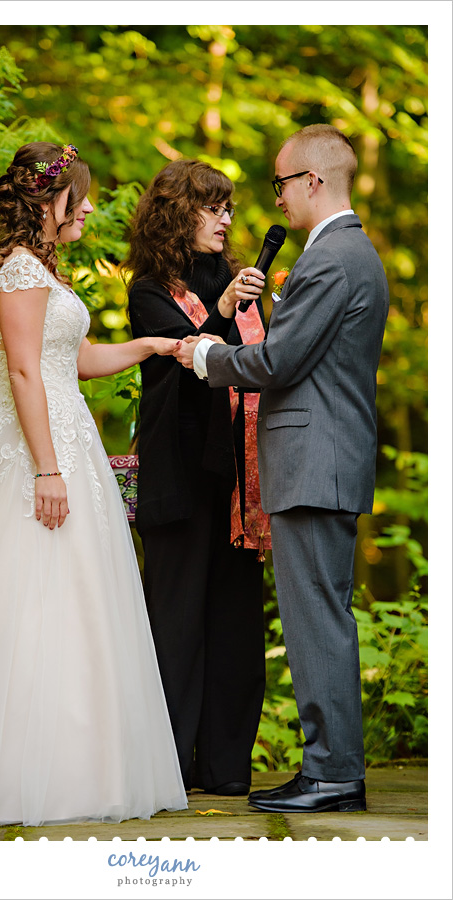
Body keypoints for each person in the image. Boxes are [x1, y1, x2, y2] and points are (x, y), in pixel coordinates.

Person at [0, 141, 188, 828]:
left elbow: (73, 360)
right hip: (33, 455)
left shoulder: (42, 274)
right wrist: (47, 469)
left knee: (71, 606)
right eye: (80, 196)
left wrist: (153, 347)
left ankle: (71, 768)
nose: (90, 208)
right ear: (50, 203)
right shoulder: (20, 275)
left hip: (64, 443)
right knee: (16, 603)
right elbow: (23, 372)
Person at [175, 125, 389, 813]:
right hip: (322, 459)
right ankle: (327, 767)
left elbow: (278, 363)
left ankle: (332, 775)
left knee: (316, 621)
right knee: (317, 618)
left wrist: (207, 357)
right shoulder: (346, 255)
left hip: (314, 462)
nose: (277, 197)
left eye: (281, 183)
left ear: (313, 182)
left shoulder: (333, 258)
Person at [124, 159, 270, 796]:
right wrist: (221, 309)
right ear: (177, 212)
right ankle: (170, 770)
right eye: (213, 207)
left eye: (229, 208)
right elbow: (185, 365)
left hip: (237, 474)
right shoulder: (149, 290)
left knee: (236, 621)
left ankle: (226, 768)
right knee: (176, 621)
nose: (226, 220)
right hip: (179, 476)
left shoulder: (234, 281)